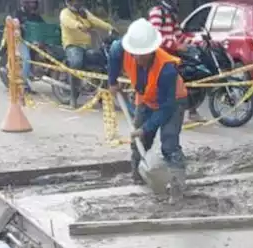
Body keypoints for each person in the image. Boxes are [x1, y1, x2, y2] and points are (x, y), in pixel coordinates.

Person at [106, 18, 188, 182]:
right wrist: (112, 81)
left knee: (169, 143)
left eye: (141, 55)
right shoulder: (122, 48)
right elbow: (114, 53)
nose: (136, 59)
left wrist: (146, 128)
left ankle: (178, 183)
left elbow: (166, 108)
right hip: (145, 98)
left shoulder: (167, 69)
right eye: (134, 54)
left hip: (173, 101)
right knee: (139, 142)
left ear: (151, 50)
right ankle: (139, 176)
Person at [146, 0, 202, 122]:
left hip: (171, 55)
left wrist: (196, 42)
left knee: (189, 74)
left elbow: (179, 35)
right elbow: (154, 36)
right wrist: (175, 45)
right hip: (159, 56)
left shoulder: (171, 14)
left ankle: (191, 110)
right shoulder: (157, 12)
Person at [60, 0, 113, 106]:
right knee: (76, 63)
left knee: (101, 60)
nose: (77, 3)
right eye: (74, 1)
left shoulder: (84, 13)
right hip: (73, 45)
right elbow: (67, 22)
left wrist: (109, 27)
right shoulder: (65, 13)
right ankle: (73, 96)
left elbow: (95, 20)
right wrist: (78, 25)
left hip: (87, 46)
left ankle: (101, 94)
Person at [12, 0, 45, 94]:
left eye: (34, 2)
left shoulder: (36, 15)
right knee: (27, 59)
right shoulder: (18, 13)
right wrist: (20, 26)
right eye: (30, 2)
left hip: (34, 41)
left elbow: (43, 26)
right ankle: (23, 84)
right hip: (21, 41)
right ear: (24, 3)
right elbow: (14, 26)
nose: (32, 4)